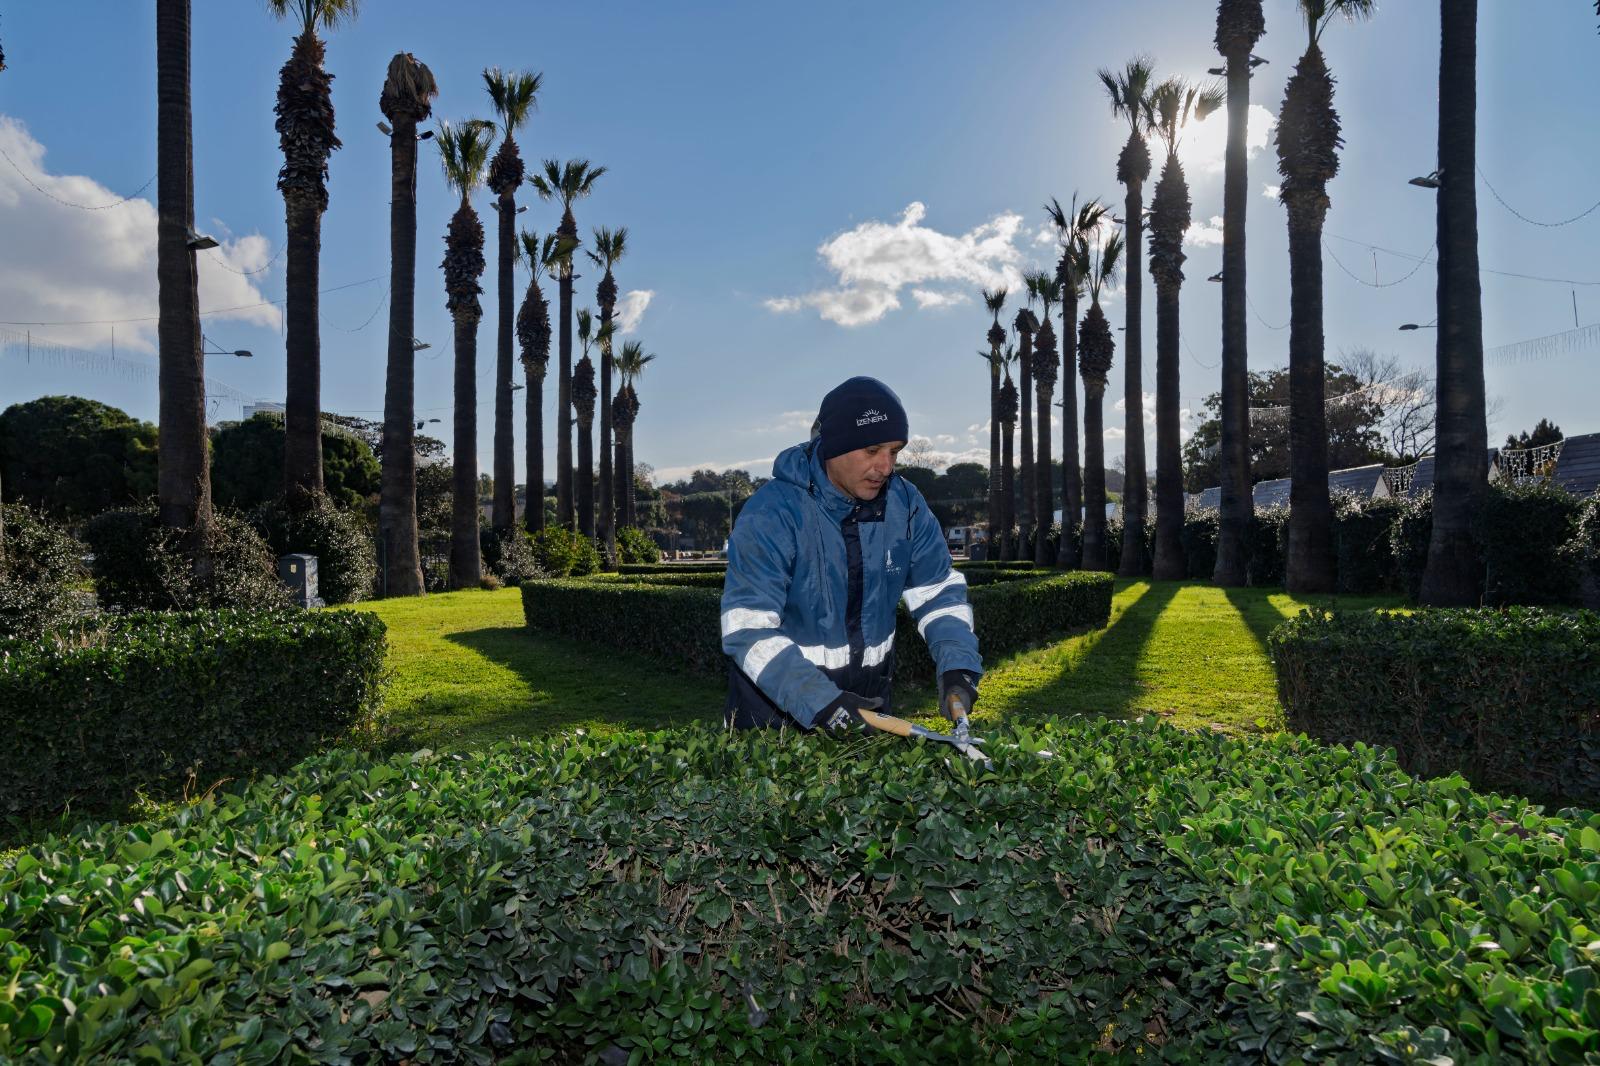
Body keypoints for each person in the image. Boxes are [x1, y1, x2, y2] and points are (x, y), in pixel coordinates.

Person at [719, 376, 982, 735]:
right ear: (834, 448)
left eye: (894, 451)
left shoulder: (906, 505)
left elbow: (938, 595)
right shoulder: (772, 513)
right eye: (872, 451)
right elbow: (748, 630)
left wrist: (959, 666)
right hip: (773, 724)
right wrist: (823, 703)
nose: (886, 467)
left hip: (869, 711)